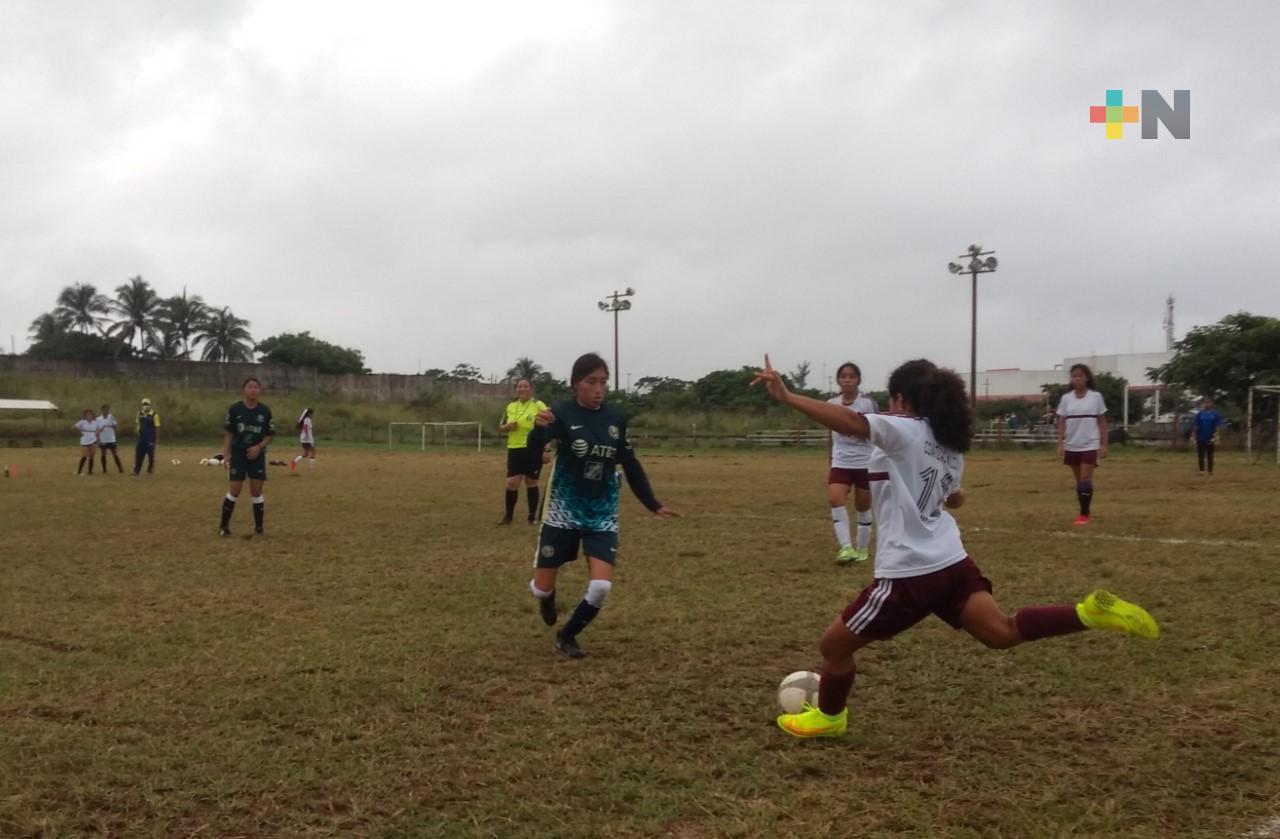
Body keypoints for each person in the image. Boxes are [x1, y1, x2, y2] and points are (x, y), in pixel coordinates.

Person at [751, 355, 1158, 738]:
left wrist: (788, 397)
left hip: (910, 572)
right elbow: (953, 496)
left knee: (832, 648)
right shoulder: (948, 444)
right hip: (952, 563)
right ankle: (1088, 613)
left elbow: (851, 421)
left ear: (901, 400)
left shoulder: (904, 429)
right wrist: (952, 496)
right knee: (1001, 632)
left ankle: (829, 718)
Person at [526, 353, 680, 659]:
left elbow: (630, 463)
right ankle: (547, 596)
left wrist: (652, 503)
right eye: (591, 381)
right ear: (575, 385)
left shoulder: (615, 420)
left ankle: (567, 635)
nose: (599, 388)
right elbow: (535, 453)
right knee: (541, 589)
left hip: (601, 511)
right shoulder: (560, 413)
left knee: (600, 587)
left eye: (603, 382)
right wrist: (538, 430)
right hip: (563, 509)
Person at [826, 362, 878, 564]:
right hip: (841, 462)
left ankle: (862, 549)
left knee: (863, 506)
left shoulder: (867, 403)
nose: (847, 379)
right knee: (835, 499)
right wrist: (830, 461)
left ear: (858, 380)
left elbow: (875, 430)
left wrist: (854, 429)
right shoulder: (831, 403)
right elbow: (830, 434)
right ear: (838, 380)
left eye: (852, 376)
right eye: (843, 376)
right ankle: (846, 548)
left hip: (865, 462)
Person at [217, 377, 275, 537]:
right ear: (244, 389)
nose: (253, 390)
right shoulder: (235, 409)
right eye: (250, 387)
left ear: (259, 390)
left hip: (257, 455)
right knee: (234, 490)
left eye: (256, 387)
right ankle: (223, 526)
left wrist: (259, 447)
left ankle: (259, 528)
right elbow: (229, 434)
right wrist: (226, 455)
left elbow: (269, 435)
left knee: (256, 491)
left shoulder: (265, 411)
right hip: (238, 454)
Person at [1055, 364, 1108, 525]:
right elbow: (1062, 421)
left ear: (1087, 378)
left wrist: (1104, 443)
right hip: (1072, 443)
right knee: (1079, 480)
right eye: (1074, 376)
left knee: (1085, 478)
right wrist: (1060, 443)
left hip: (1090, 443)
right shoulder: (1066, 399)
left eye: (1080, 375)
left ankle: (1083, 514)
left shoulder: (1096, 397)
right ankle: (1085, 508)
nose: (1077, 379)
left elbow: (1102, 421)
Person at [498, 379, 548, 525]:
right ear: (516, 390)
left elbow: (548, 427)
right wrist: (508, 426)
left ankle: (532, 517)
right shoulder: (511, 406)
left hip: (533, 449)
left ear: (531, 389)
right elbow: (501, 427)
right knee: (512, 483)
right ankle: (508, 516)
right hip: (515, 448)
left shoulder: (538, 405)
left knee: (531, 482)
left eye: (525, 386)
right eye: (519, 387)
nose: (522, 389)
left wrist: (546, 448)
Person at [1192, 396, 1222, 477]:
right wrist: (1193, 436)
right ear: (1203, 404)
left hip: (1210, 437)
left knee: (1210, 455)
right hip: (1200, 437)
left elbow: (1217, 426)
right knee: (1200, 455)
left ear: (1211, 403)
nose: (1207, 404)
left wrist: (1217, 436)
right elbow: (1196, 425)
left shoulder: (1215, 414)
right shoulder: (1200, 414)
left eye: (1208, 402)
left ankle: (1210, 472)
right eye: (1205, 402)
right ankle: (1201, 471)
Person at [133, 397, 161, 476]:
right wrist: (137, 430)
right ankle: (136, 470)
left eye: (147, 404)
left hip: (150, 438)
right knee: (138, 454)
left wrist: (157, 439)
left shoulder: (154, 415)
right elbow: (137, 423)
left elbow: (157, 427)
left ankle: (150, 469)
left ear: (150, 405)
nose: (145, 406)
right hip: (141, 438)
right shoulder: (139, 413)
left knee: (150, 455)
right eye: (144, 404)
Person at [96, 403, 124, 474]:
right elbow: (97, 430)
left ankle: (120, 468)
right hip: (103, 439)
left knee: (114, 453)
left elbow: (115, 427)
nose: (105, 412)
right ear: (101, 411)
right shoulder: (98, 419)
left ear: (108, 411)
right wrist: (98, 439)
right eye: (104, 410)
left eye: (107, 410)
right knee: (103, 454)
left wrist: (113, 424)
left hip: (111, 438)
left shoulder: (111, 417)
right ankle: (104, 469)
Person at [73, 409, 99, 475]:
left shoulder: (95, 422)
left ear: (92, 415)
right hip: (84, 440)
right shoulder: (82, 422)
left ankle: (90, 471)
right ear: (85, 416)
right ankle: (79, 471)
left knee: (91, 456)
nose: (89, 416)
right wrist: (80, 432)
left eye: (90, 415)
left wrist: (97, 433)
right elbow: (74, 426)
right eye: (87, 415)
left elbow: (98, 429)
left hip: (93, 439)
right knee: (84, 456)